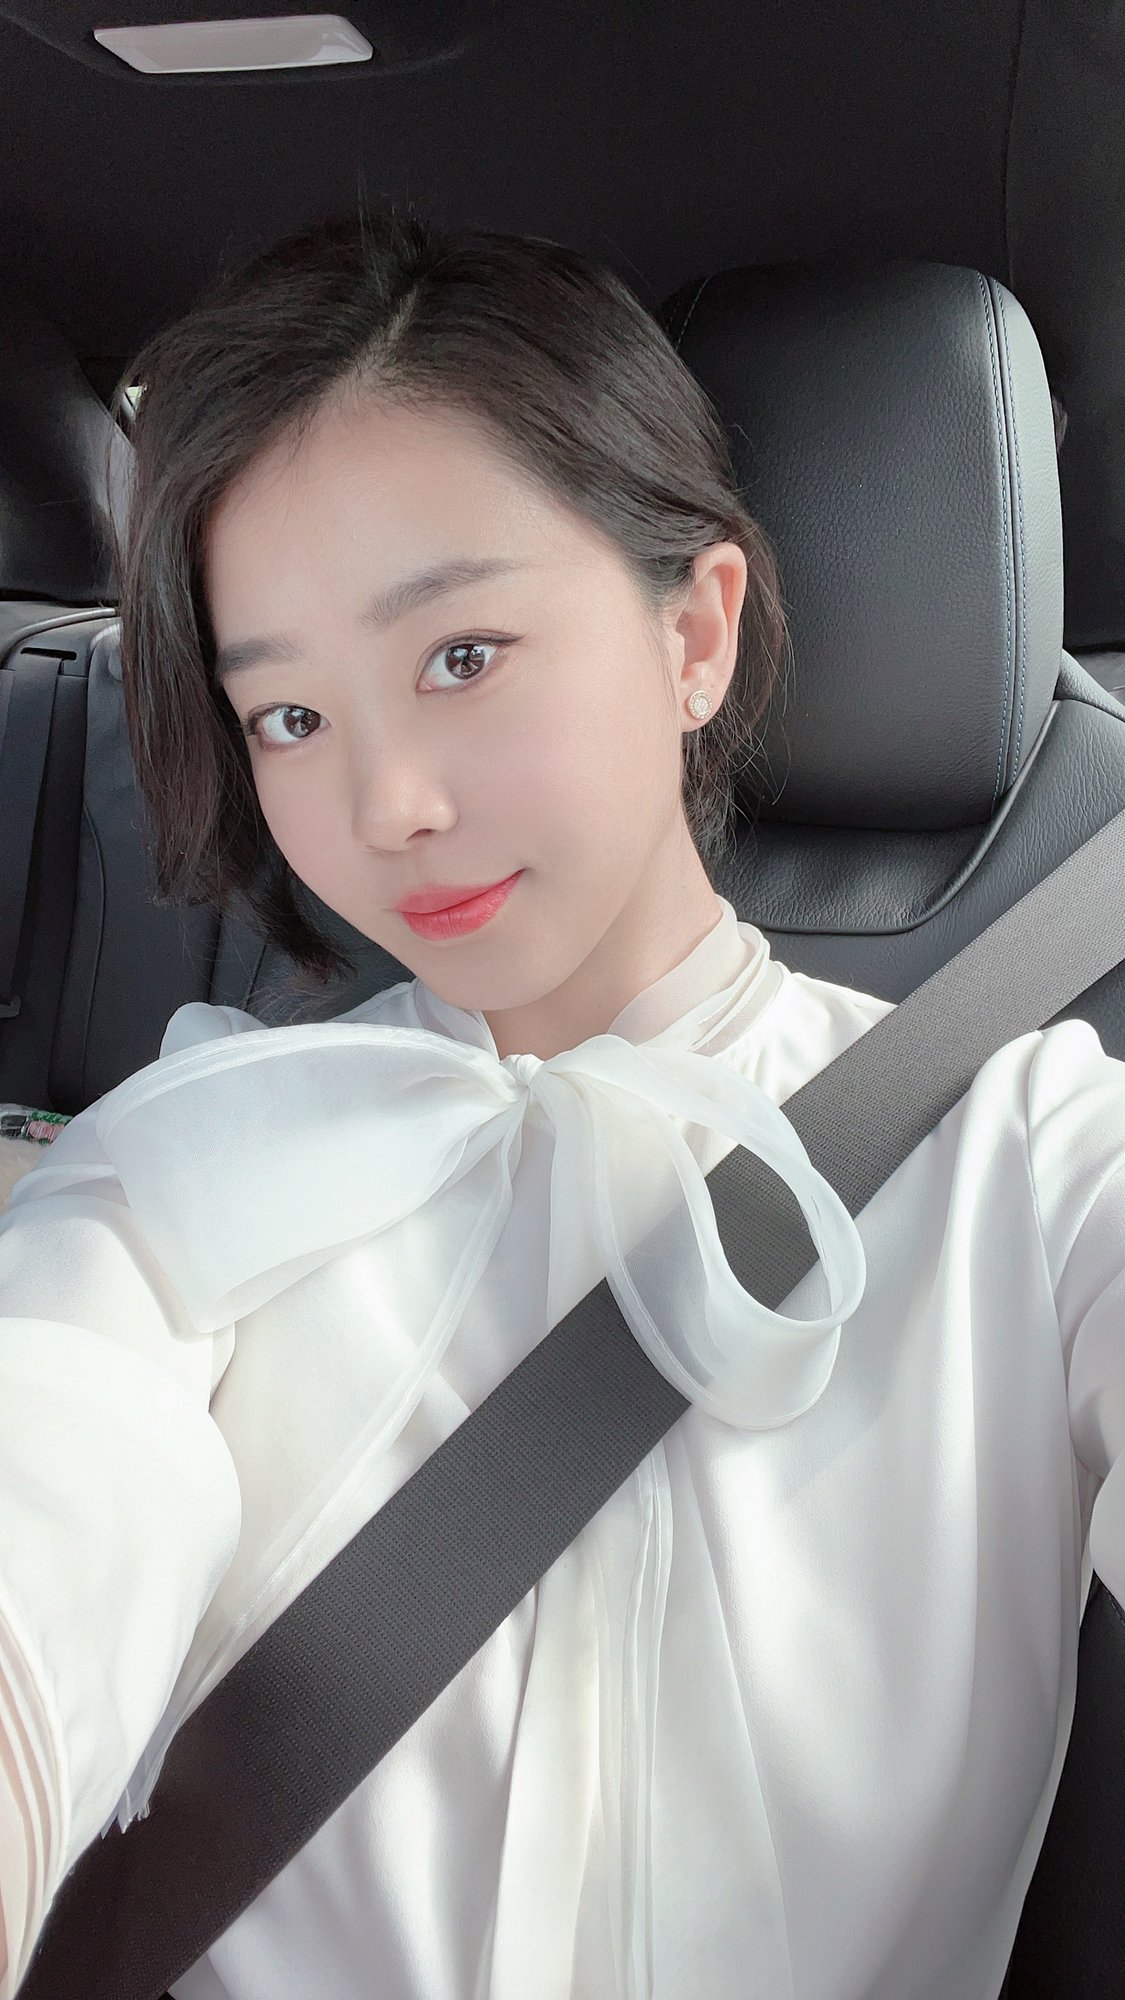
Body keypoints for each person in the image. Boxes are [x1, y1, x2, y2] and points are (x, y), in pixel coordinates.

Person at [0, 206, 1122, 2000]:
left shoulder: (1032, 1153)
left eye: (461, 656)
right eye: (288, 718)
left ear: (695, 635)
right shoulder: (177, 1162)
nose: (388, 806)